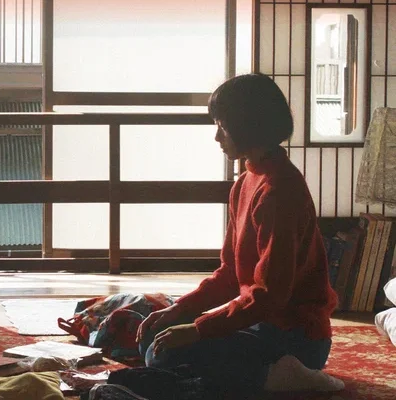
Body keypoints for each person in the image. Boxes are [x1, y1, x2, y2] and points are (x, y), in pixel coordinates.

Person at [136, 73, 344, 394]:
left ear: (247, 125)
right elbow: (230, 274)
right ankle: (259, 378)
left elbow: (270, 296)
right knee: (155, 337)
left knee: (165, 354)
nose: (216, 137)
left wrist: (199, 329)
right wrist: (180, 310)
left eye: (222, 126)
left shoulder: (280, 191)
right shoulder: (245, 183)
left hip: (296, 336)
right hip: (259, 324)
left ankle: (288, 375)